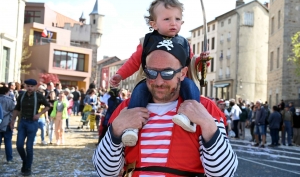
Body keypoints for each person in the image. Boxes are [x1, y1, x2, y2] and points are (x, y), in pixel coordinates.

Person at [93, 40, 238, 177]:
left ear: (182, 73)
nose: (159, 81)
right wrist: (117, 128)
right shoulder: (127, 108)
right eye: (151, 73)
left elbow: (224, 173)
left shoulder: (205, 108)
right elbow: (104, 172)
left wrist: (207, 124)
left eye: (167, 73)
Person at [110, 0, 209, 147]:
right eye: (167, 19)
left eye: (177, 19)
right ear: (154, 24)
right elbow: (134, 61)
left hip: (177, 80)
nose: (173, 23)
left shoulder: (184, 43)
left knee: (190, 86)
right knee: (139, 91)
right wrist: (120, 75)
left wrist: (201, 61)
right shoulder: (147, 41)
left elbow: (192, 64)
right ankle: (131, 127)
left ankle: (188, 117)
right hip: (150, 78)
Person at [10, 79, 50, 176]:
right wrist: (13, 120)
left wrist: (39, 114)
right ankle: (25, 161)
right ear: (25, 86)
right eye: (28, 86)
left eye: (32, 86)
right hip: (22, 122)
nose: (30, 88)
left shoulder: (39, 96)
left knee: (29, 147)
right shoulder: (21, 95)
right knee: (19, 145)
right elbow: (17, 108)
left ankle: (28, 167)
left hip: (33, 122)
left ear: (35, 87)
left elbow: (48, 106)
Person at [0, 86, 15, 163]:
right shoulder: (9, 100)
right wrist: (12, 122)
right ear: (6, 92)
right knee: (8, 141)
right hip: (7, 123)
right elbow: (13, 112)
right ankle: (9, 159)